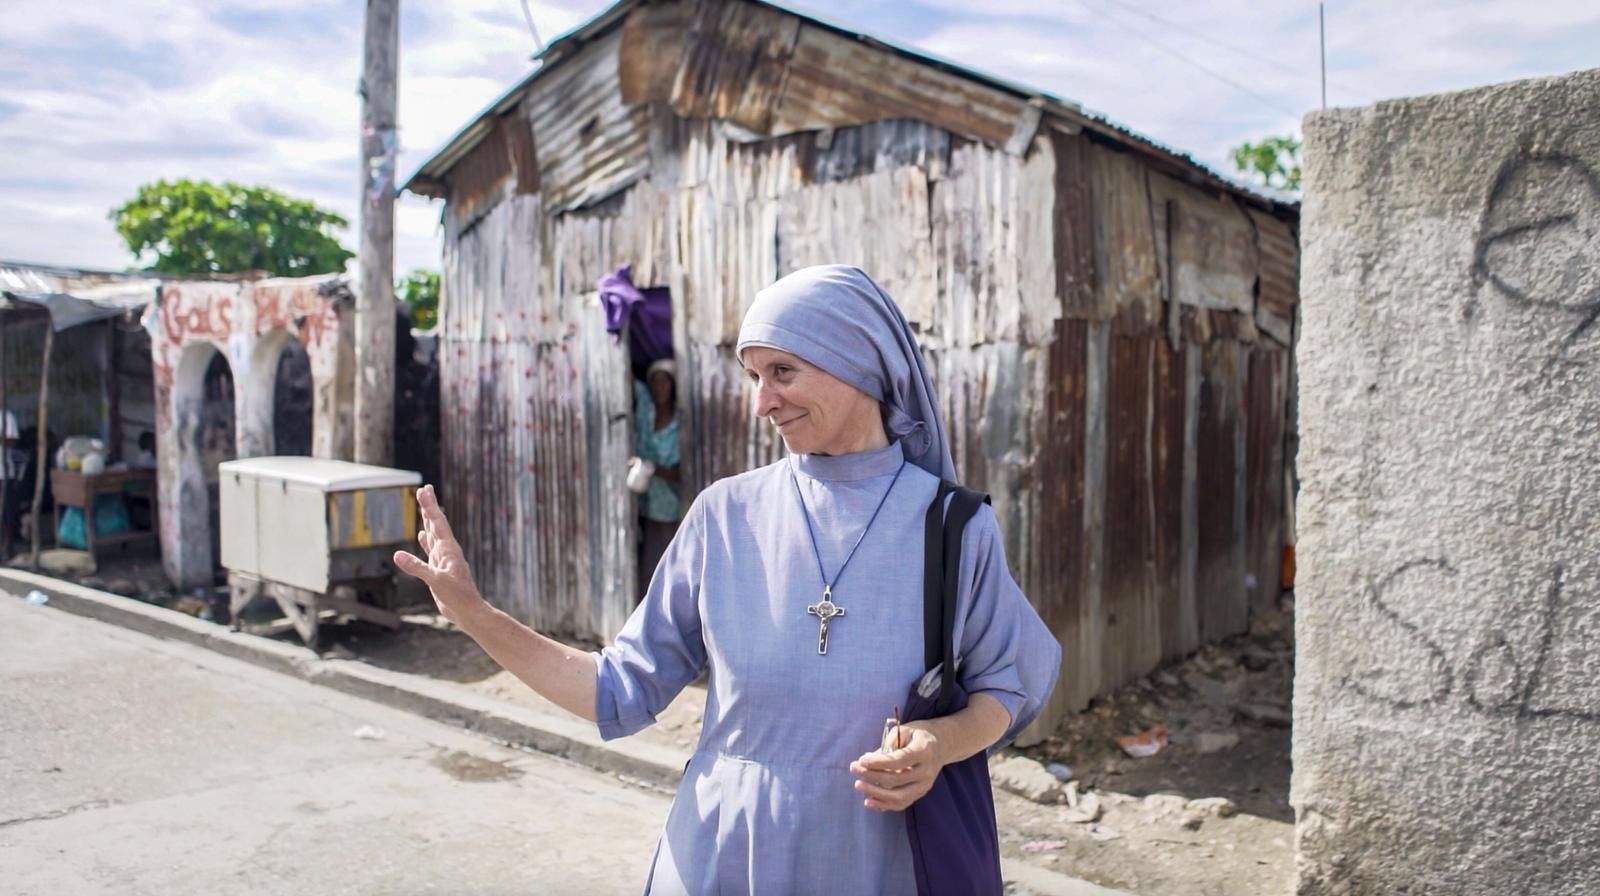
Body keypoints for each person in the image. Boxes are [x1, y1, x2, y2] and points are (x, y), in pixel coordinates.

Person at [396, 265, 1061, 894]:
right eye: (753, 376)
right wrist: (476, 615)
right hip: (722, 859)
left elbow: (1007, 683)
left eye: (782, 371)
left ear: (858, 362)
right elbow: (618, 691)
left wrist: (940, 743)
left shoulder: (953, 527)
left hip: (875, 866)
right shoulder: (724, 515)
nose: (761, 402)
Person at [632, 358, 682, 602]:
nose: (659, 387)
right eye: (655, 382)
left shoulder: (679, 423)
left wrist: (651, 468)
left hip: (670, 508)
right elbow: (633, 385)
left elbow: (681, 471)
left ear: (673, 386)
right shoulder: (646, 412)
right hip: (644, 503)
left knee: (667, 567)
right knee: (647, 564)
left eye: (664, 382)